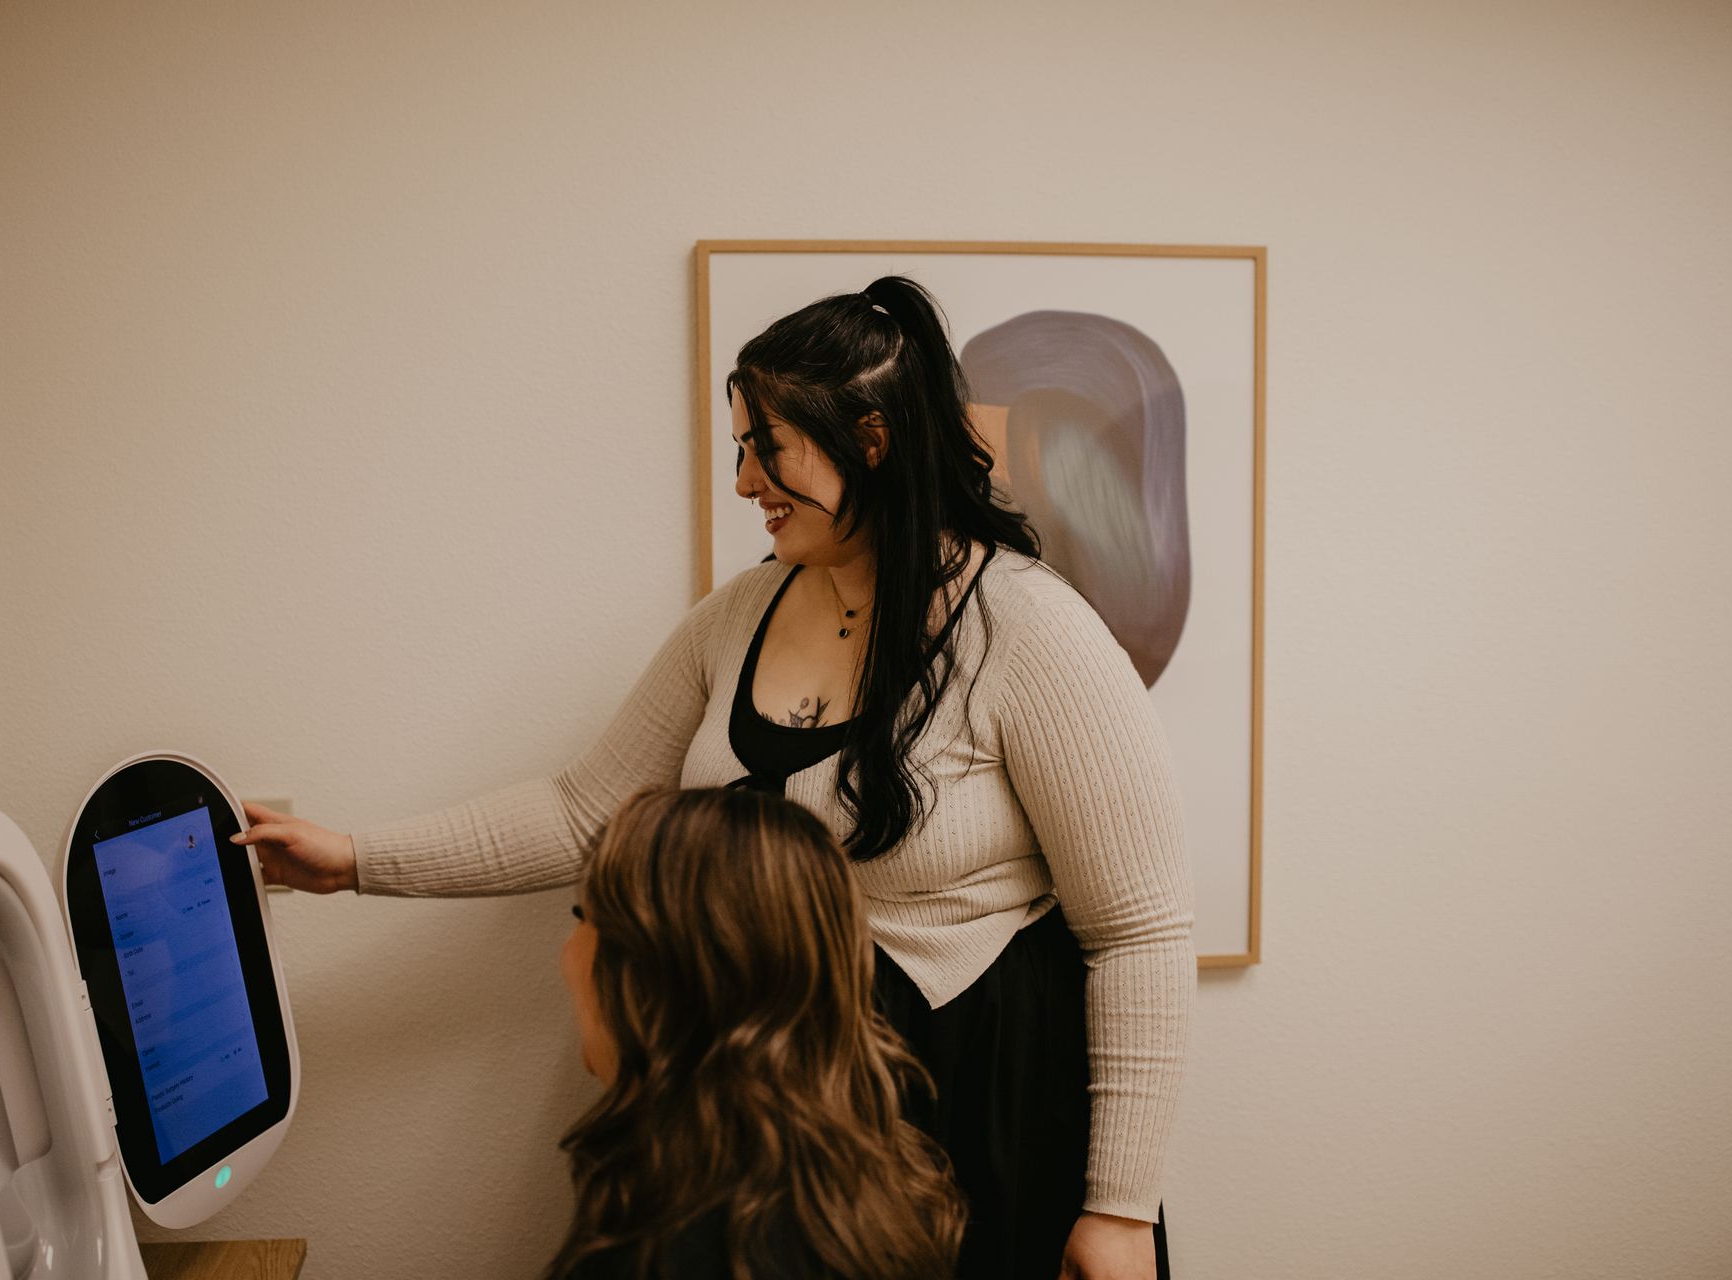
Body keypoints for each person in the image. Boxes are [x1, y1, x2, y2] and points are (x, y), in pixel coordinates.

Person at [234, 274, 1193, 1280]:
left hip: (985, 1107)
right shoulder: (738, 616)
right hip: (795, 1126)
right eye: (740, 449)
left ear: (871, 441)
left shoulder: (1031, 628)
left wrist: (1119, 1208)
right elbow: (585, 809)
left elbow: (1139, 929)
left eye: (767, 447)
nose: (744, 482)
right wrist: (353, 860)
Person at [547, 785, 963, 1280]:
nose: (567, 951)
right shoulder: (879, 1193)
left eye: (584, 916)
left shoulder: (657, 1252)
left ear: (655, 973)